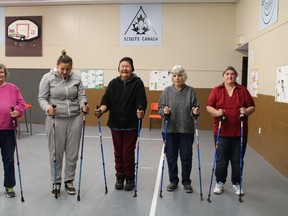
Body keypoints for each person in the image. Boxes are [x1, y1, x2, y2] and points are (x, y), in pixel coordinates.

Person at [38, 50, 89, 197]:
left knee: (72, 153)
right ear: (57, 66)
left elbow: (81, 96)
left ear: (71, 67)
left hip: (74, 118)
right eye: (62, 69)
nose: (65, 72)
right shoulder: (47, 78)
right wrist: (48, 108)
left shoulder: (77, 78)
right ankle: (56, 181)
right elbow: (41, 98)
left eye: (68, 69)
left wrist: (83, 105)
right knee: (56, 152)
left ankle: (69, 181)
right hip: (55, 119)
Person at [94, 57, 147, 191]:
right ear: (118, 69)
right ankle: (120, 176)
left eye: (127, 66)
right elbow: (106, 101)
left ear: (132, 69)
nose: (125, 69)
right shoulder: (113, 84)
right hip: (115, 124)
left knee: (127, 152)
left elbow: (141, 101)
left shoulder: (138, 83)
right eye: (122, 66)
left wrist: (140, 111)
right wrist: (100, 110)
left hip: (131, 125)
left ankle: (130, 177)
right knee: (118, 152)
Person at [206, 66, 255, 196]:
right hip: (221, 132)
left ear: (236, 76)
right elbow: (208, 106)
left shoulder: (242, 90)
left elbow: (252, 106)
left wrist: (246, 111)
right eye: (227, 74)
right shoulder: (217, 90)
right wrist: (217, 112)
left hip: (240, 132)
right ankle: (220, 182)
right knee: (221, 160)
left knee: (237, 159)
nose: (229, 76)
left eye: (232, 74)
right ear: (223, 76)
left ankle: (237, 183)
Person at [158, 65, 200, 193]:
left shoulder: (190, 91)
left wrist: (195, 111)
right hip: (169, 130)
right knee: (171, 157)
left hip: (186, 130)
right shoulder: (166, 91)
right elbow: (160, 108)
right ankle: (173, 181)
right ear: (172, 78)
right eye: (175, 76)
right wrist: (164, 111)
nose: (177, 78)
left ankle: (186, 182)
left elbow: (196, 109)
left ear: (184, 77)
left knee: (186, 157)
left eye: (180, 75)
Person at [0, 64, 26, 198]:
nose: (0, 74)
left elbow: (21, 104)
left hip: (8, 129)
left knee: (9, 159)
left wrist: (17, 111)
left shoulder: (13, 88)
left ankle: (9, 186)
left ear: (5, 74)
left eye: (2, 72)